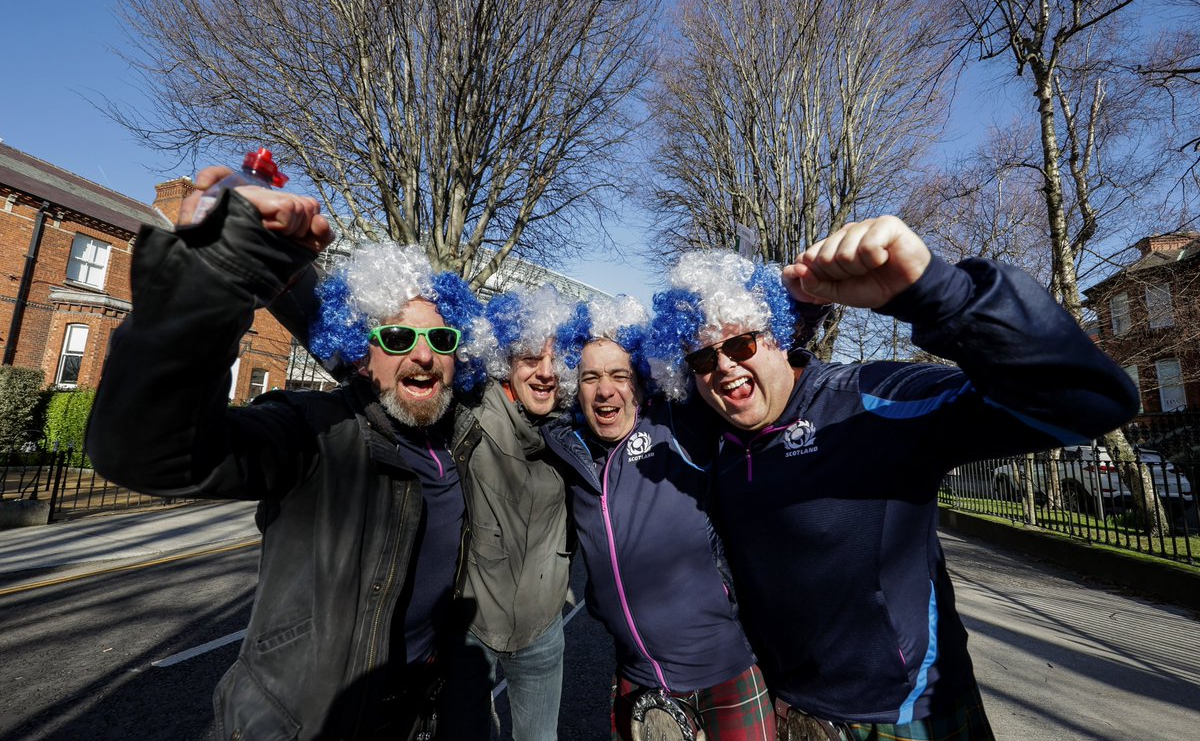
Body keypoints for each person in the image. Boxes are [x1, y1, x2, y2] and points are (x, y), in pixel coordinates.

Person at [645, 216, 1140, 741]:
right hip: (790, 709)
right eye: (703, 357)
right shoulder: (718, 439)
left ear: (780, 336)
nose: (724, 367)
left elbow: (1091, 403)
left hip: (903, 715)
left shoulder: (868, 398)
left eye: (742, 344)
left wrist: (937, 293)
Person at [85, 168, 492, 741]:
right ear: (361, 355)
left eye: (440, 339)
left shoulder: (459, 440)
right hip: (303, 725)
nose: (423, 356)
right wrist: (213, 283)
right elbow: (146, 450)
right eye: (398, 338)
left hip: (416, 715)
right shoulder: (316, 431)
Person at [542, 296, 775, 741]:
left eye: (619, 375)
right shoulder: (569, 449)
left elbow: (739, 377)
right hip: (637, 675)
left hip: (725, 672)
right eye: (590, 377)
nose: (604, 390)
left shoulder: (677, 426)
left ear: (642, 383)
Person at [434, 285, 577, 741]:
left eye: (556, 360)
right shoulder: (466, 414)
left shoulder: (575, 431)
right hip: (471, 629)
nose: (546, 372)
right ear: (505, 363)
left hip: (543, 629)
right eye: (530, 358)